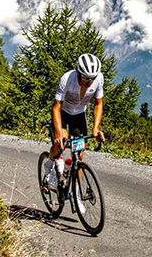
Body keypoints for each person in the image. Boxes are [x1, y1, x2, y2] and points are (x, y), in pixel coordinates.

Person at [45, 53, 105, 211]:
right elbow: (56, 107)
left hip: (79, 115)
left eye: (92, 78)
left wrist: (96, 128)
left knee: (79, 155)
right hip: (63, 113)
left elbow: (99, 103)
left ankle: (75, 194)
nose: (89, 82)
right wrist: (59, 133)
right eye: (86, 78)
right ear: (78, 72)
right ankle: (49, 165)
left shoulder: (98, 78)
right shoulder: (67, 79)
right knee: (60, 145)